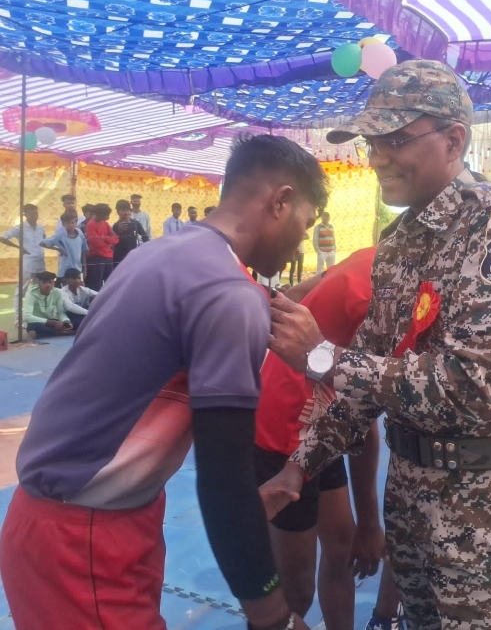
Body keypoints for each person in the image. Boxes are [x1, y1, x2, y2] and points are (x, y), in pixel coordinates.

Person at [261, 60, 491, 630]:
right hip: (411, 501)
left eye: (395, 140)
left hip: (488, 513)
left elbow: (473, 390)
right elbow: (372, 370)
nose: (377, 158)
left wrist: (322, 356)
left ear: (454, 140)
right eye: (372, 143)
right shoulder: (400, 241)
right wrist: (299, 467)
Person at [0, 134, 329, 630]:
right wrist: (273, 616)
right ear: (280, 201)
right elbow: (224, 478)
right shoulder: (228, 293)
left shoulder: (163, 254)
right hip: (83, 539)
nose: (302, 241)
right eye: (306, 223)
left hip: (65, 522)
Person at [256, 248, 385, 630]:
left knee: (341, 545)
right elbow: (363, 419)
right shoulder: (389, 287)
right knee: (296, 591)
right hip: (287, 419)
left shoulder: (373, 258)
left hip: (322, 404)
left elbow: (294, 294)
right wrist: (371, 523)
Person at [0, 204, 46, 317]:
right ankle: (18, 317)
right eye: (31, 213)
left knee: (39, 290)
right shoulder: (19, 228)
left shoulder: (41, 228)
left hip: (40, 262)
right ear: (25, 214)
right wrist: (18, 247)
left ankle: (36, 315)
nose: (34, 215)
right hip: (27, 263)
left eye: (36, 213)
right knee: (21, 291)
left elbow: (44, 241)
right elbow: (2, 238)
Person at [40, 211, 88, 283]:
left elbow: (83, 251)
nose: (71, 225)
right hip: (64, 270)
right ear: (63, 224)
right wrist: (58, 249)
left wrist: (85, 269)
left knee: (78, 288)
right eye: (68, 223)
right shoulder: (60, 235)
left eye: (72, 222)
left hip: (77, 269)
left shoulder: (80, 234)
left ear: (76, 222)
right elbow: (42, 243)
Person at [22, 270, 73, 339]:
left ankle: (55, 332)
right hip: (37, 322)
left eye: (50, 282)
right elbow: (27, 316)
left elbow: (61, 313)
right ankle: (59, 333)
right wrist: (49, 322)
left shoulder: (58, 292)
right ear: (39, 283)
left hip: (51, 321)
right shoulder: (31, 293)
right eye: (44, 282)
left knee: (74, 322)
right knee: (33, 328)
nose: (47, 285)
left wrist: (66, 321)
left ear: (54, 283)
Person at [84, 203, 118, 291]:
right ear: (101, 214)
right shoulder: (91, 225)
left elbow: (116, 239)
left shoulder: (105, 224)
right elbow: (96, 243)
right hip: (97, 257)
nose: (108, 217)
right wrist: (109, 242)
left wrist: (105, 238)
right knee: (96, 284)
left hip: (109, 257)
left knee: (110, 283)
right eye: (107, 215)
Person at [113, 199, 149, 266]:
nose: (126, 213)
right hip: (119, 258)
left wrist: (145, 250)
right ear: (118, 212)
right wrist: (118, 232)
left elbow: (145, 237)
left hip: (132, 256)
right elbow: (113, 242)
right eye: (123, 210)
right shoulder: (115, 226)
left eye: (127, 210)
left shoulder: (135, 224)